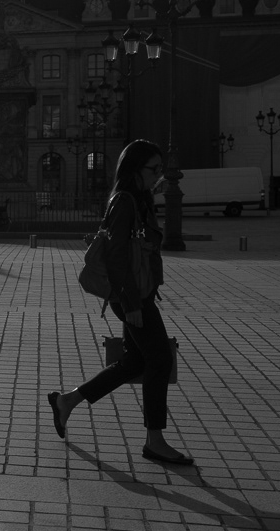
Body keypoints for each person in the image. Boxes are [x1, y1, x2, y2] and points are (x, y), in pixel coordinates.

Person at [45, 140, 191, 465]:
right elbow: (116, 258)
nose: (159, 175)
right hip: (131, 297)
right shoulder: (124, 201)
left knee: (135, 363)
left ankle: (67, 401)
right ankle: (155, 441)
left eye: (161, 169)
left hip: (138, 294)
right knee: (159, 360)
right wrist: (132, 305)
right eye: (154, 169)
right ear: (135, 168)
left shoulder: (139, 199)